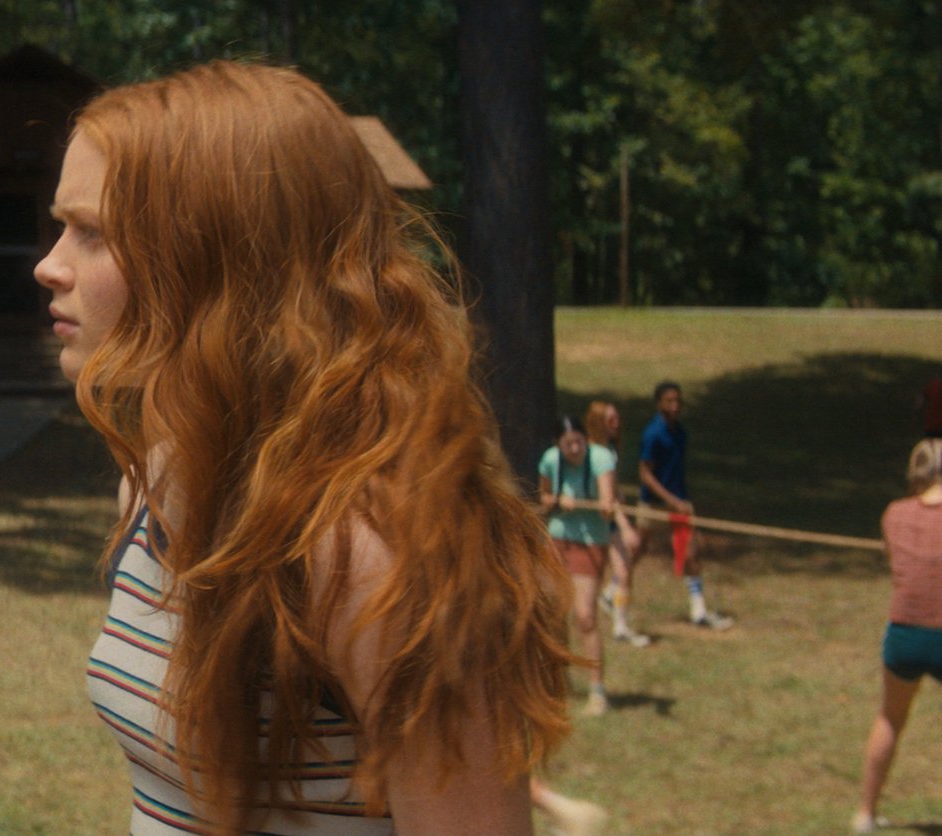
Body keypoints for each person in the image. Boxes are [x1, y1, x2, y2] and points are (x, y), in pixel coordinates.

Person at [36, 61, 573, 833]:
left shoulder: (368, 553)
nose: (48, 264)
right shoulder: (152, 484)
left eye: (92, 232)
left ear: (217, 262)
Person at [853, 438, 942, 833]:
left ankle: (865, 814)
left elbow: (896, 564)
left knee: (890, 718)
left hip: (904, 635)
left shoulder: (894, 513)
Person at [538, 416, 619, 717]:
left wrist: (606, 506)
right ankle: (561, 679)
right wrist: (558, 500)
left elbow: (608, 502)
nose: (574, 448)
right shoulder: (549, 461)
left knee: (585, 616)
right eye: (568, 443)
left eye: (579, 442)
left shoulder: (601, 459)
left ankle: (597, 690)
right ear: (558, 444)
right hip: (558, 542)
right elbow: (543, 497)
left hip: (590, 543)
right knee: (555, 612)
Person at [636, 382, 733, 630]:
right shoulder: (652, 434)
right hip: (654, 503)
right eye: (669, 401)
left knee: (690, 551)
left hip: (678, 502)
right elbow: (646, 474)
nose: (675, 406)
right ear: (659, 403)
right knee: (637, 548)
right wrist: (671, 501)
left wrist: (682, 501)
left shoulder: (680, 432)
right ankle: (613, 591)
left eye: (677, 401)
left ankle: (698, 609)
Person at [585, 400, 650, 647]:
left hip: (608, 517)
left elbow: (614, 491)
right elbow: (608, 498)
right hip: (604, 520)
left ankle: (613, 606)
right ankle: (618, 620)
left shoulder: (607, 449)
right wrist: (626, 527)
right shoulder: (599, 453)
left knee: (623, 571)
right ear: (598, 422)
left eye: (617, 418)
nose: (616, 423)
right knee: (622, 571)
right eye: (610, 419)